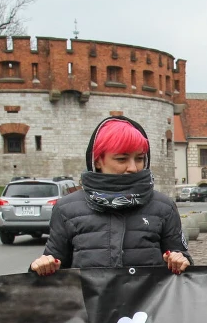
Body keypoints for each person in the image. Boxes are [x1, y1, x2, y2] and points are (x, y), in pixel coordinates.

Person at [31, 116, 191, 276]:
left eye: (140, 158)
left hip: (149, 301)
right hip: (90, 301)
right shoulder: (66, 209)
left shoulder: (164, 207)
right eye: (122, 159)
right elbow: (54, 266)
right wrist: (43, 266)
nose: (133, 168)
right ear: (98, 160)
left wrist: (180, 259)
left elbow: (183, 265)